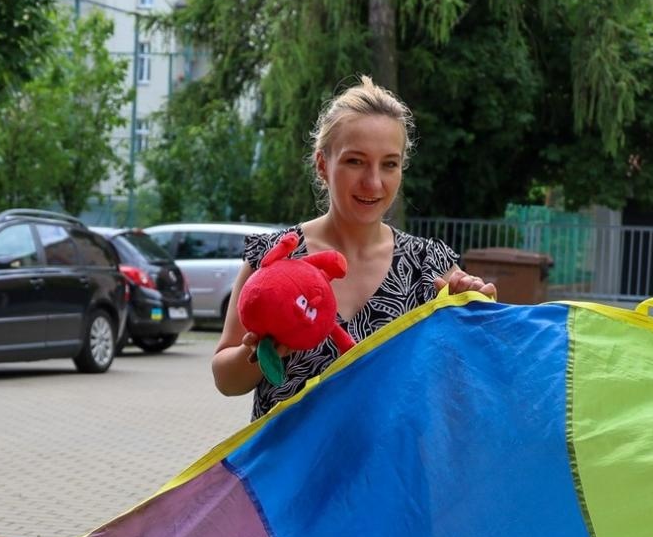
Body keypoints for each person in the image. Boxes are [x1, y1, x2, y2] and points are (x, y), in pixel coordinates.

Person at [212, 77, 496, 418]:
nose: (373, 182)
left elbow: (466, 382)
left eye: (389, 164)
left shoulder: (429, 267)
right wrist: (262, 351)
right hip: (292, 470)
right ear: (322, 164)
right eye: (355, 161)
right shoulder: (275, 257)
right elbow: (225, 380)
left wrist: (472, 315)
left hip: (392, 470)